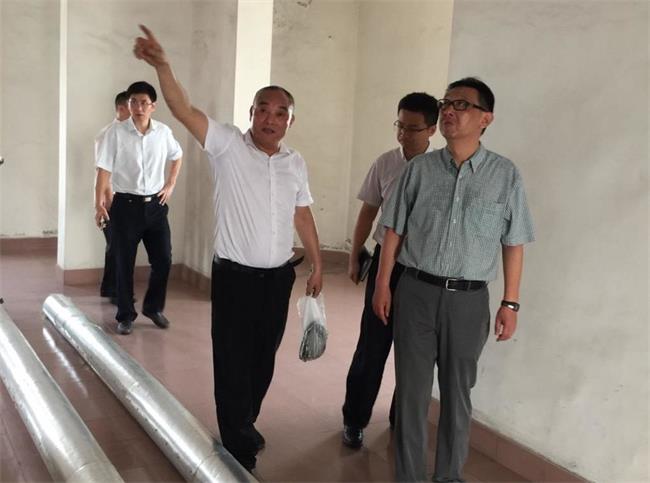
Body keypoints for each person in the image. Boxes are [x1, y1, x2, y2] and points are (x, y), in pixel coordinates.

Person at [133, 25, 323, 473]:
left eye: (280, 113)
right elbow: (183, 109)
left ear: (290, 121)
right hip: (236, 277)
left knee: (263, 360)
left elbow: (302, 214)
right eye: (263, 110)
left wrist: (316, 263)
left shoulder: (294, 163)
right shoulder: (227, 146)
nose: (270, 119)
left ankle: (244, 420)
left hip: (278, 278)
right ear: (251, 113)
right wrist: (163, 65)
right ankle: (238, 441)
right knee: (233, 361)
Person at [373, 77, 535, 482]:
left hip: (468, 302)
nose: (449, 111)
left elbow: (514, 242)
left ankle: (449, 476)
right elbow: (393, 230)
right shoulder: (420, 170)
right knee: (411, 394)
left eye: (461, 105)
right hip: (416, 293)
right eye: (447, 103)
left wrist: (510, 302)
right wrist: (382, 284)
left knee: (457, 394)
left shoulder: (505, 175)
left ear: (485, 118)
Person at [341, 93, 438, 449]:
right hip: (387, 263)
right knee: (372, 345)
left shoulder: (442, 168)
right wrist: (355, 255)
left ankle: (403, 420)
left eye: (413, 129)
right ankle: (354, 419)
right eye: (400, 126)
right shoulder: (385, 163)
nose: (403, 135)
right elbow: (368, 212)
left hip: (424, 268)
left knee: (415, 351)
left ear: (432, 129)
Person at [94, 81, 183, 336]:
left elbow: (177, 155)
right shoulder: (115, 133)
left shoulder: (163, 132)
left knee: (163, 259)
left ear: (153, 106)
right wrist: (98, 204)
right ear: (128, 104)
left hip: (156, 206)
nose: (138, 107)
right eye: (134, 102)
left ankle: (153, 308)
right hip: (125, 206)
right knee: (124, 263)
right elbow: (103, 170)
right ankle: (125, 315)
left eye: (144, 103)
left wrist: (170, 184)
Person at [95, 90, 130, 304]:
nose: (137, 112)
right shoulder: (107, 134)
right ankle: (115, 291)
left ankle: (109, 288)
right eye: (132, 106)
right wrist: (106, 200)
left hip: (124, 198)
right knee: (117, 246)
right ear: (121, 109)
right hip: (112, 199)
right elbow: (103, 172)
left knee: (117, 245)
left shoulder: (127, 133)